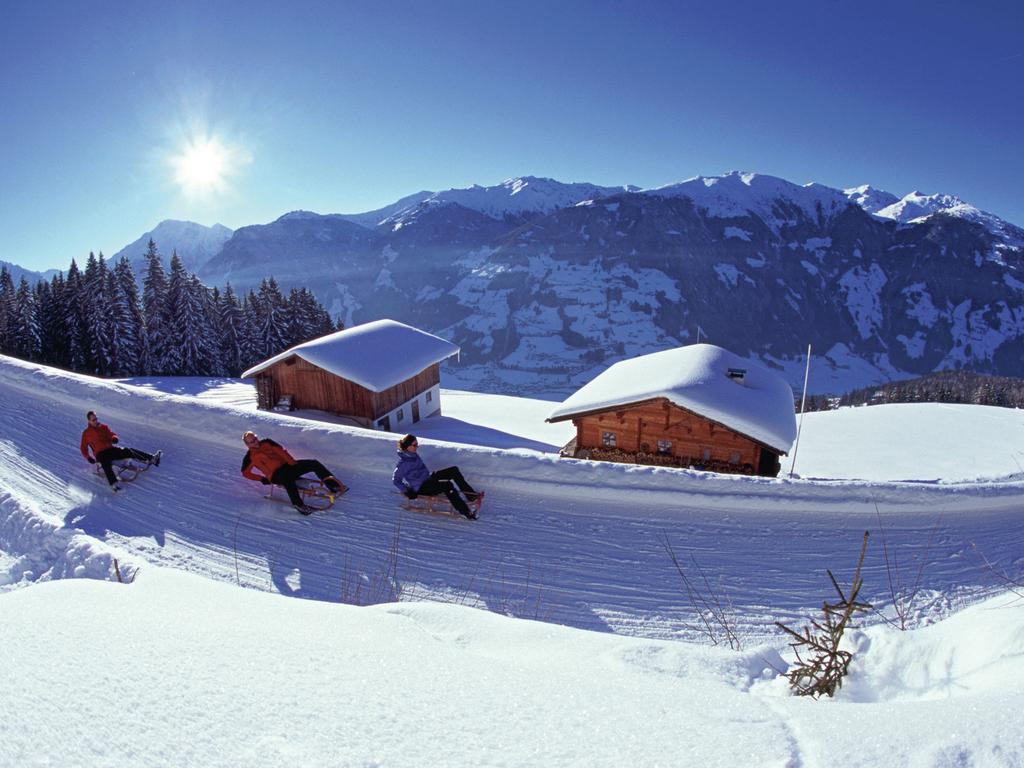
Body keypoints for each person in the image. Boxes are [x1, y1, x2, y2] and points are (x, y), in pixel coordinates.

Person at [241, 431, 347, 515]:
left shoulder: (267, 442)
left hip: (287, 466)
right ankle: (298, 504)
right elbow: (245, 473)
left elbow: (281, 451)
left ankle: (334, 487)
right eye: (252, 442)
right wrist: (262, 479)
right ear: (247, 444)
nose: (255, 442)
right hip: (275, 475)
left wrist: (292, 462)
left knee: (313, 463)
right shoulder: (250, 457)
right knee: (286, 478)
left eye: (255, 438)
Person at [392, 434, 480, 519]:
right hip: (422, 487)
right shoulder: (403, 464)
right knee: (447, 485)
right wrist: (407, 491)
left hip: (428, 479)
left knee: (454, 470)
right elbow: (396, 480)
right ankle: (465, 512)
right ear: (408, 447)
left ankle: (470, 496)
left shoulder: (412, 455)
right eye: (415, 445)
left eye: (417, 444)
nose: (417, 447)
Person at [80, 411, 162, 492]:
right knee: (105, 463)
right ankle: (113, 484)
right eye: (93, 420)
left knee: (128, 451)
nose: (96, 421)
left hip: (110, 450)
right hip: (100, 454)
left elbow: (112, 434)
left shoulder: (104, 427)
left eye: (96, 419)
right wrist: (88, 457)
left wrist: (114, 438)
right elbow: (83, 448)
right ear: (89, 421)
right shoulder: (86, 433)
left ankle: (151, 458)